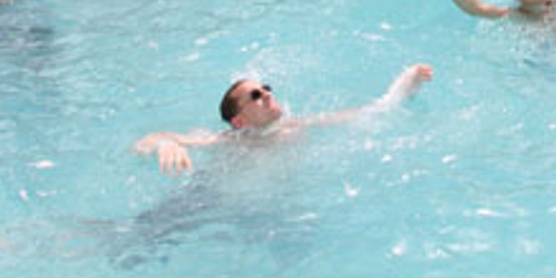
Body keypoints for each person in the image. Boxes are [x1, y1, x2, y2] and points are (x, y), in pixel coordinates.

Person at [133, 64, 433, 174]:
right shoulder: (227, 141)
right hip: (212, 203)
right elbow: (145, 142)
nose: (265, 93)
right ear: (239, 121)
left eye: (265, 88)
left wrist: (406, 85)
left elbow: (372, 111)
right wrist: (163, 144)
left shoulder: (296, 127)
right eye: (254, 96)